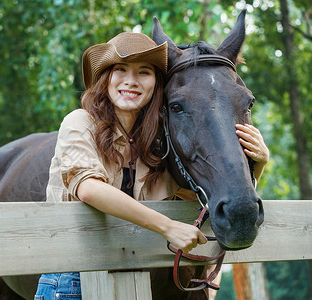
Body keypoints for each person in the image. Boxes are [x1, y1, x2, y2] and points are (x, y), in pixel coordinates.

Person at [34, 32, 269, 300]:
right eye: (120, 70)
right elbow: (88, 188)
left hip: (135, 279)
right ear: (106, 78)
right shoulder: (80, 122)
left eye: (143, 72)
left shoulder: (156, 146)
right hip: (73, 279)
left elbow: (211, 199)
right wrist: (167, 226)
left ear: (155, 83)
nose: (130, 81)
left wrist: (257, 164)